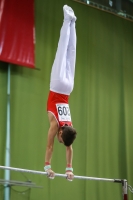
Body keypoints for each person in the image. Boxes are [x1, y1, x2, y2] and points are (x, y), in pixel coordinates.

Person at [44, 5, 77, 181]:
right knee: (62, 51)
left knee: (71, 53)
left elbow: (69, 146)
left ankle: (73, 23)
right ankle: (67, 19)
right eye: (61, 140)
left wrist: (69, 170)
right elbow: (49, 147)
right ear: (60, 134)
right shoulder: (56, 127)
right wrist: (47, 167)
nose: (61, 141)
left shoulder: (69, 128)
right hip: (57, 85)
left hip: (68, 87)